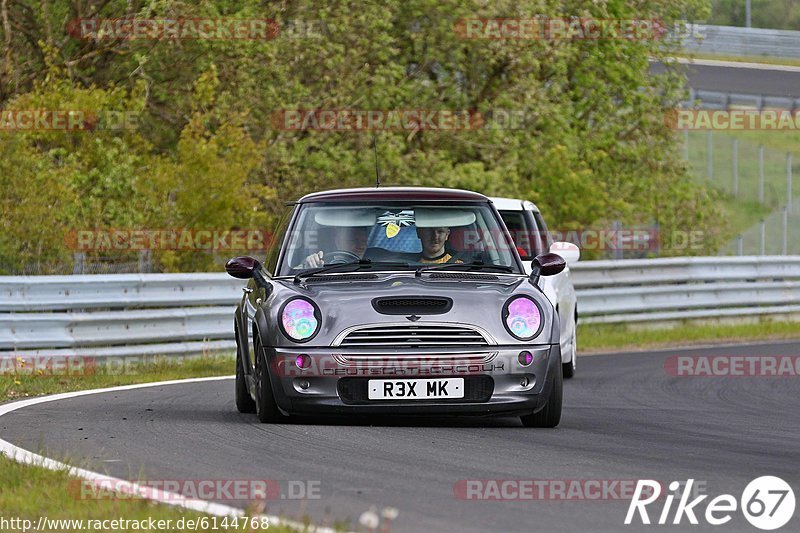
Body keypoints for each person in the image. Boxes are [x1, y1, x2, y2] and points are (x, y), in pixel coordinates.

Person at [300, 226, 369, 268]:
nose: (361, 246)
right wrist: (310, 264)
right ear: (338, 242)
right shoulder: (322, 263)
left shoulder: (376, 265)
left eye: (364, 241)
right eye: (353, 241)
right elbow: (296, 273)